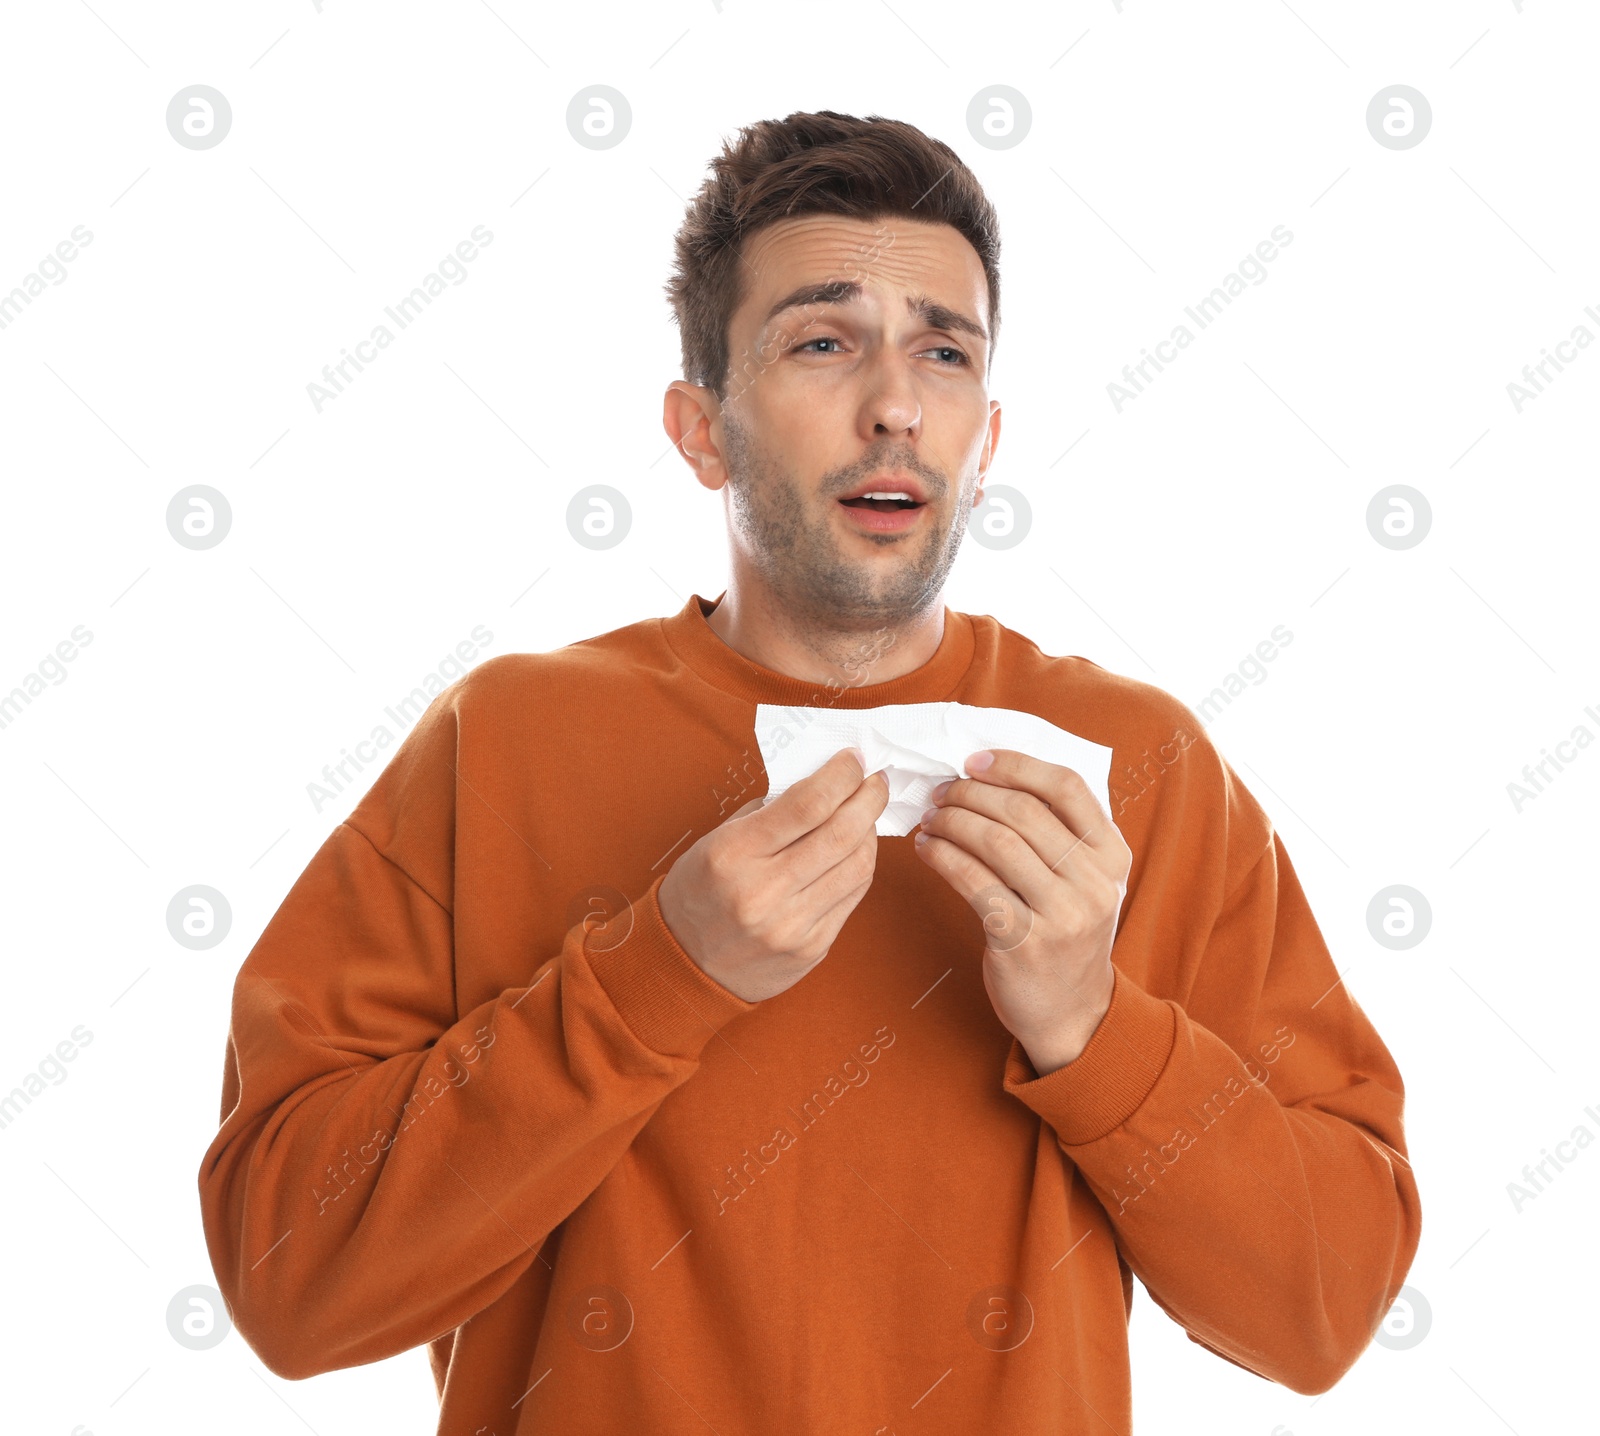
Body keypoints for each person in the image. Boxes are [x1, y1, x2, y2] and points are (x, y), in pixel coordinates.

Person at [198, 110, 1421, 1434]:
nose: (894, 401)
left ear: (987, 437)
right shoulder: (497, 746)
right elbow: (290, 1286)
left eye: (942, 352)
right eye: (823, 341)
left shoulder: (1144, 770)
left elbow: (1326, 1311)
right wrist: (654, 977)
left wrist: (1092, 1027)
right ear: (701, 430)